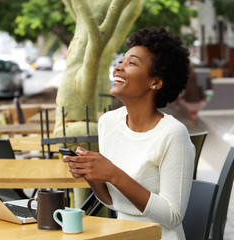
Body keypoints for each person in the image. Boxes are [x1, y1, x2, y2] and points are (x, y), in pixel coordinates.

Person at [63, 27, 195, 240]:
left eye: (131, 63)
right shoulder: (108, 123)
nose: (118, 68)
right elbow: (111, 201)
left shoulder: (173, 134)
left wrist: (113, 174)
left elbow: (173, 217)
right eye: (121, 61)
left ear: (156, 82)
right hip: (121, 233)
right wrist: (91, 174)